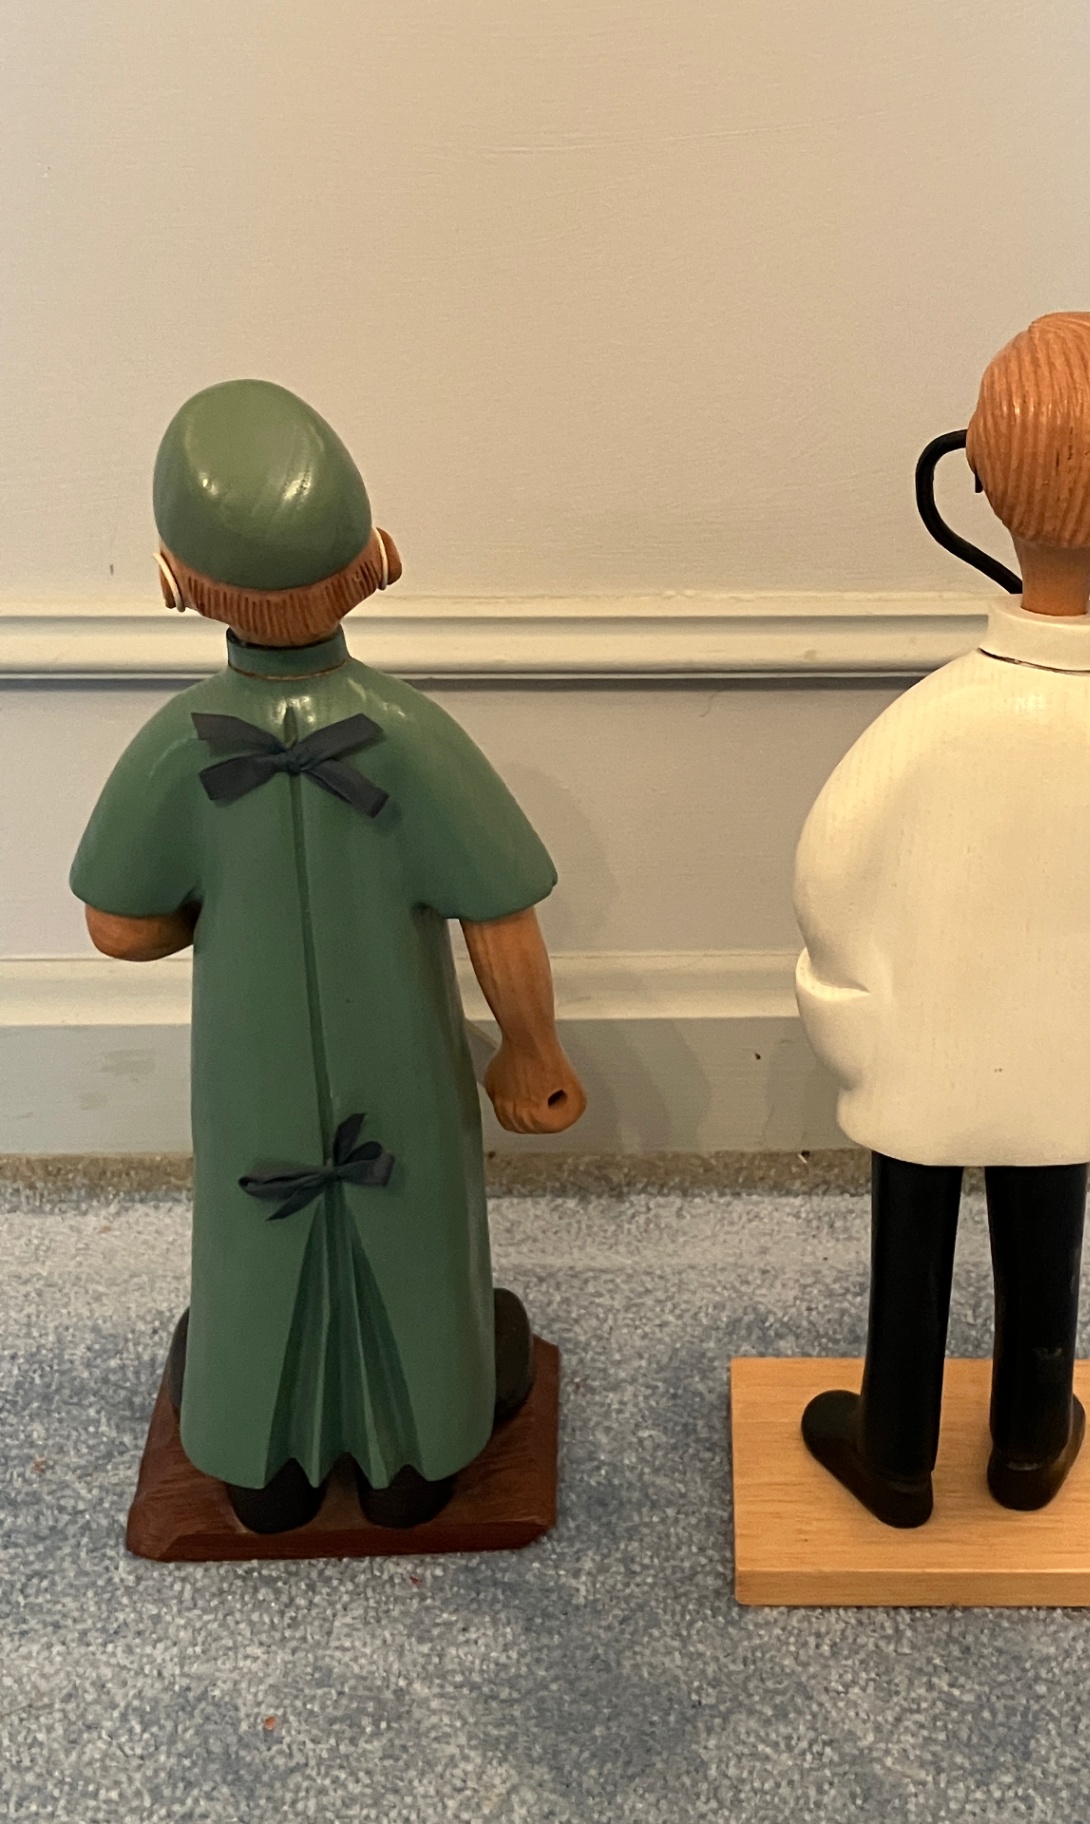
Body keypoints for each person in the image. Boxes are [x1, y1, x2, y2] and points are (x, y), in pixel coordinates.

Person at [72, 379, 586, 1534]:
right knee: (412, 1216)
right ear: (378, 560)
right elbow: (499, 911)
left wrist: (220, 915)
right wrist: (533, 1053)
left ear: (172, 581)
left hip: (252, 1078)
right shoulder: (412, 735)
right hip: (399, 1069)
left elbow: (120, 926)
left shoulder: (179, 749)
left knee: (257, 1227)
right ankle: (419, 1459)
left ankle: (267, 1470)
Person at [794, 314, 1090, 1527]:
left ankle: (895, 1455)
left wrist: (846, 988)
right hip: (1059, 1061)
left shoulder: (935, 715)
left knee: (910, 1253)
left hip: (916, 1049)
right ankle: (1028, 1447)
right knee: (1044, 1252)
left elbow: (829, 861)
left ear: (977, 471)